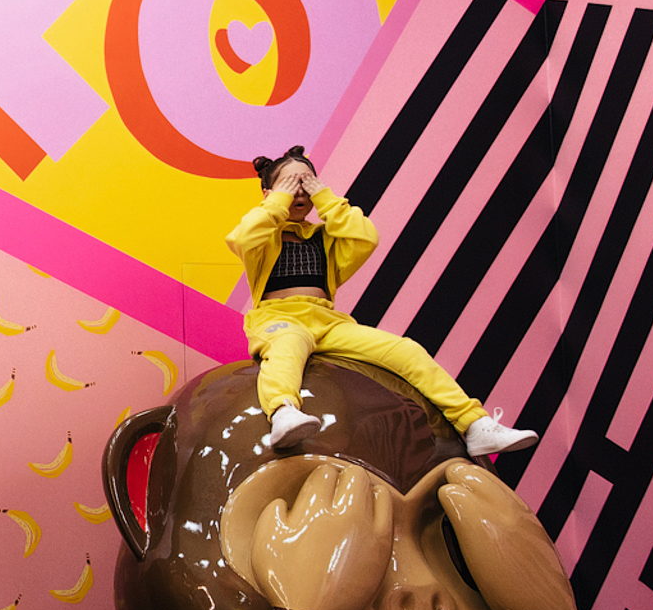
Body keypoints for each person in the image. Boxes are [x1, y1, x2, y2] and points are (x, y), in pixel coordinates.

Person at [227, 145, 536, 455]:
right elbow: (242, 237)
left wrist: (325, 197)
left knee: (406, 350)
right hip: (278, 319)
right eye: (289, 184)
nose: (299, 192)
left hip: (329, 323)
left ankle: (474, 424)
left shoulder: (325, 238)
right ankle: (283, 411)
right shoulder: (263, 239)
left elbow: (365, 237)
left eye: (306, 183)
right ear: (268, 193)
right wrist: (277, 201)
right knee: (288, 345)